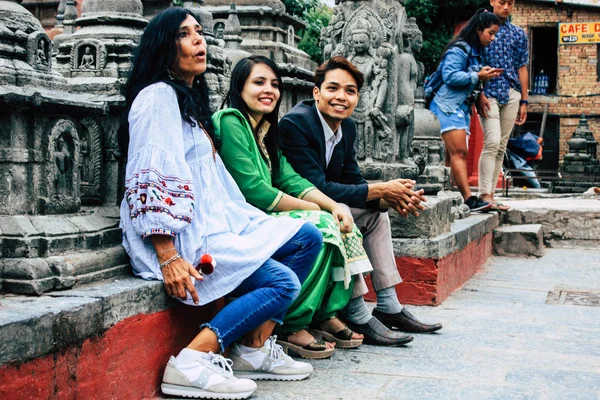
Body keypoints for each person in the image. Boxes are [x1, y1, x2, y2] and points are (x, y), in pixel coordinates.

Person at [119, 8, 322, 399]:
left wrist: (255, 226)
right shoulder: (158, 96)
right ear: (164, 46)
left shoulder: (189, 106)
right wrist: (167, 254)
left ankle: (252, 350)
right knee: (283, 283)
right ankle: (192, 360)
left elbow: (219, 189)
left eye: (201, 32)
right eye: (185, 34)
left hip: (215, 225)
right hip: (177, 238)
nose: (199, 40)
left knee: (306, 238)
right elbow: (149, 169)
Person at [213, 55, 370, 359]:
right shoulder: (232, 121)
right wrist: (316, 211)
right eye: (259, 82)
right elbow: (255, 191)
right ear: (239, 86)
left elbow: (290, 178)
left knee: (338, 223)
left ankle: (324, 313)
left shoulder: (265, 130)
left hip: (258, 216)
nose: (268, 90)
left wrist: (333, 205)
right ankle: (291, 323)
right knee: (318, 228)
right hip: (238, 219)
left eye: (274, 84)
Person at [279, 56, 443, 347]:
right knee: (344, 219)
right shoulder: (296, 124)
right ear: (316, 92)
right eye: (333, 89)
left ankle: (388, 305)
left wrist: (392, 199)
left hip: (326, 203)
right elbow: (317, 187)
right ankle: (355, 311)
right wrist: (381, 190)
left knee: (377, 215)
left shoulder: (348, 128)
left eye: (350, 91)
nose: (341, 97)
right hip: (296, 209)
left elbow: (352, 181)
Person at [429, 9, 502, 212]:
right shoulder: (460, 49)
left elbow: (471, 79)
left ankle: (447, 194)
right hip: (447, 105)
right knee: (459, 152)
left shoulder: (476, 52)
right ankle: (469, 198)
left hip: (460, 107)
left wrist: (480, 94)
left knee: (451, 155)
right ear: (479, 30)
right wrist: (478, 77)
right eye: (491, 33)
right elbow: (450, 76)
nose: (493, 38)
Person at [477, 0, 529, 211]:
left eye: (510, 2)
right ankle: (483, 194)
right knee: (492, 140)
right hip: (488, 91)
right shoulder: (480, 27)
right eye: (501, 2)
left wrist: (524, 100)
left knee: (501, 145)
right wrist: (477, 92)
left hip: (511, 92)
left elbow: (522, 67)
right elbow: (473, 60)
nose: (506, 7)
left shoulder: (518, 34)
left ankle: (492, 193)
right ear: (492, 1)